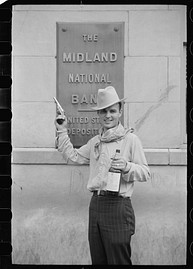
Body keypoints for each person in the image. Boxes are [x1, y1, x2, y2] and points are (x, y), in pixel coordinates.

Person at [54, 86, 150, 265]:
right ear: (98, 114)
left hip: (118, 206)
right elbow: (73, 157)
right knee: (98, 261)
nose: (108, 115)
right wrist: (62, 130)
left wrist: (127, 167)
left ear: (120, 111)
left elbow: (145, 172)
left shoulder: (131, 140)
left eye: (112, 111)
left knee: (118, 261)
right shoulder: (95, 142)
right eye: (103, 111)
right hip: (96, 204)